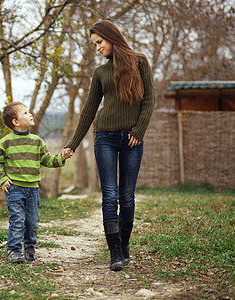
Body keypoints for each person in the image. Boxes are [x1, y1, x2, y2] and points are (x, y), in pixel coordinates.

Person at [63, 20, 155, 271]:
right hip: (104, 137)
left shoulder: (140, 62)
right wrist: (72, 143)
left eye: (99, 42)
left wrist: (139, 130)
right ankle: (114, 252)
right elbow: (89, 109)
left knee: (126, 195)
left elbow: (149, 100)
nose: (97, 48)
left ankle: (125, 248)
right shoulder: (100, 73)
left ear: (111, 37)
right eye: (95, 45)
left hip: (132, 139)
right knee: (109, 195)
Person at [0, 101, 70, 263]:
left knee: (32, 220)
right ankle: (13, 250)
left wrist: (60, 158)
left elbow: (47, 160)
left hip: (33, 189)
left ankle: (29, 247)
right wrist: (2, 179)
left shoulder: (37, 141)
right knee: (18, 219)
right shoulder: (5, 142)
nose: (30, 114)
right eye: (25, 113)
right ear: (16, 122)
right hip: (14, 189)